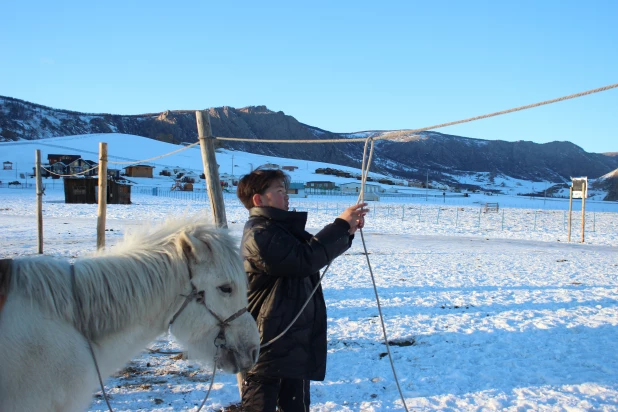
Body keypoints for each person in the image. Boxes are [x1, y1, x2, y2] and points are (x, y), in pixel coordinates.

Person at [236, 169, 368, 412]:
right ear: (259, 199)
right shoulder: (259, 234)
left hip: (290, 341)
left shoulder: (280, 230)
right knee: (258, 407)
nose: (287, 197)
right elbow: (304, 258)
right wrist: (340, 225)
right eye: (280, 192)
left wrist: (346, 232)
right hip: (266, 343)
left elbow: (312, 251)